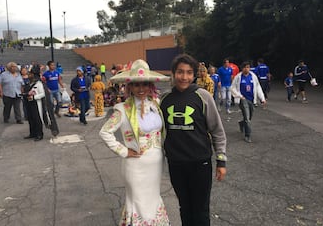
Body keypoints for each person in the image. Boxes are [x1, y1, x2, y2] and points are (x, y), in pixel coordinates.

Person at [99, 59, 170, 225]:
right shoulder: (123, 109)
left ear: (150, 85)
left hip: (156, 164)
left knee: (152, 199)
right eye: (136, 85)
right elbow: (105, 132)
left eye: (145, 84)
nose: (141, 89)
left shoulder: (156, 105)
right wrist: (124, 151)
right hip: (136, 166)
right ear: (129, 86)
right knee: (138, 203)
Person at [160, 54, 227, 226]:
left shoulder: (203, 96)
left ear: (194, 74)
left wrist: (221, 161)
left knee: (201, 210)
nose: (184, 77)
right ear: (173, 73)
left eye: (189, 73)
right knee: (185, 207)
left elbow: (217, 130)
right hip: (176, 164)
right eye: (180, 72)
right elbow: (157, 131)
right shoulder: (165, 100)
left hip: (200, 164)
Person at [231, 61, 266, 143]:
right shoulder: (238, 77)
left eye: (248, 67)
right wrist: (239, 95)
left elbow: (258, 88)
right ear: (242, 68)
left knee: (249, 117)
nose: (246, 69)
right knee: (247, 118)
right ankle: (248, 135)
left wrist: (262, 98)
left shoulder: (253, 76)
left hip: (252, 100)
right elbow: (233, 88)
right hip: (243, 99)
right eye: (245, 67)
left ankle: (241, 123)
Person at [23, 65, 45, 141]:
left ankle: (39, 134)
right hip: (29, 103)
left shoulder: (38, 83)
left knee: (37, 119)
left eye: (30, 74)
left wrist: (34, 97)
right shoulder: (29, 83)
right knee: (30, 119)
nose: (29, 75)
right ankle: (32, 133)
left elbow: (42, 94)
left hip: (36, 103)